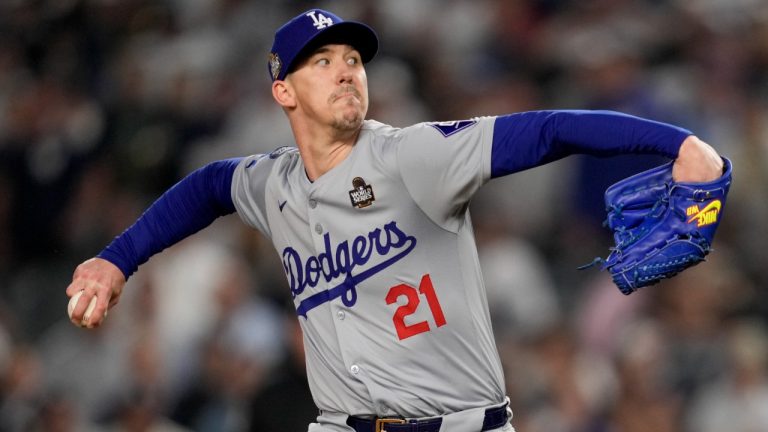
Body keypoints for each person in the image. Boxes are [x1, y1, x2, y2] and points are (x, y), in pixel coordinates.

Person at [66, 8, 725, 432]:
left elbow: (548, 130)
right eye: (323, 61)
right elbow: (209, 186)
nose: (347, 71)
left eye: (354, 59)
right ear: (284, 91)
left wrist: (678, 145)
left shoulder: (414, 155)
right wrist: (115, 259)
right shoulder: (272, 185)